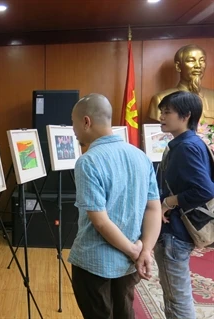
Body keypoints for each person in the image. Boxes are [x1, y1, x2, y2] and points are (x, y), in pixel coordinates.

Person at [68, 93, 162, 319]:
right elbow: (154, 209)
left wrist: (134, 250)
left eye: (73, 124)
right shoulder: (141, 157)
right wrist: (144, 251)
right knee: (124, 313)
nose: (73, 131)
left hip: (94, 263)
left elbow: (99, 221)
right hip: (129, 264)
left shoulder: (88, 161)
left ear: (86, 122)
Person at [154, 91, 214, 319]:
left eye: (167, 112)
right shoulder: (189, 142)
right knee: (176, 294)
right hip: (178, 230)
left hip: (176, 233)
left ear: (186, 115)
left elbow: (205, 189)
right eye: (162, 111)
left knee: (177, 299)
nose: (161, 116)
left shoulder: (186, 147)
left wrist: (168, 202)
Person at [148, 44, 214, 124]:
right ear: (178, 66)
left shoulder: (212, 97)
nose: (198, 66)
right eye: (191, 61)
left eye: (202, 60)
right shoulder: (160, 99)